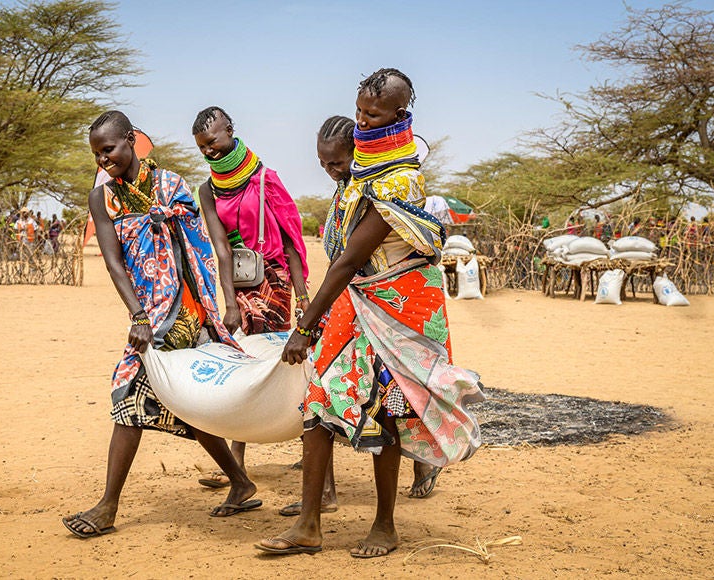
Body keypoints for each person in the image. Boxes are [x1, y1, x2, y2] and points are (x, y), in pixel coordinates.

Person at [256, 69, 484, 558]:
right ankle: (308, 523)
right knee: (318, 402)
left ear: (401, 116)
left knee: (389, 410)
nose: (362, 121)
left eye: (373, 115)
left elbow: (349, 259)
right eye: (359, 110)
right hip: (354, 303)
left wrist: (304, 325)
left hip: (396, 309)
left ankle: (384, 525)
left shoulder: (399, 179)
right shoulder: (359, 172)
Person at [62, 111, 260, 539]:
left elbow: (199, 245)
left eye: (109, 149)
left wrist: (217, 304)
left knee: (130, 393)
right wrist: (137, 314)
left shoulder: (171, 186)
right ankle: (241, 483)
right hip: (149, 314)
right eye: (97, 154)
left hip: (186, 311)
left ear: (131, 140)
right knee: (187, 404)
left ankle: (108, 506)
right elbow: (115, 264)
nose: (103, 161)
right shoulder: (102, 199)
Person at [191, 106, 310, 489]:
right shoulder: (208, 189)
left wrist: (303, 293)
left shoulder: (264, 179)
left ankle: (311, 448)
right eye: (202, 148)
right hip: (235, 285)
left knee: (279, 364)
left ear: (230, 130)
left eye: (214, 142)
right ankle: (237, 465)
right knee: (240, 363)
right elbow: (221, 249)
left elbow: (291, 240)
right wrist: (228, 304)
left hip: (273, 281)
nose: (209, 152)